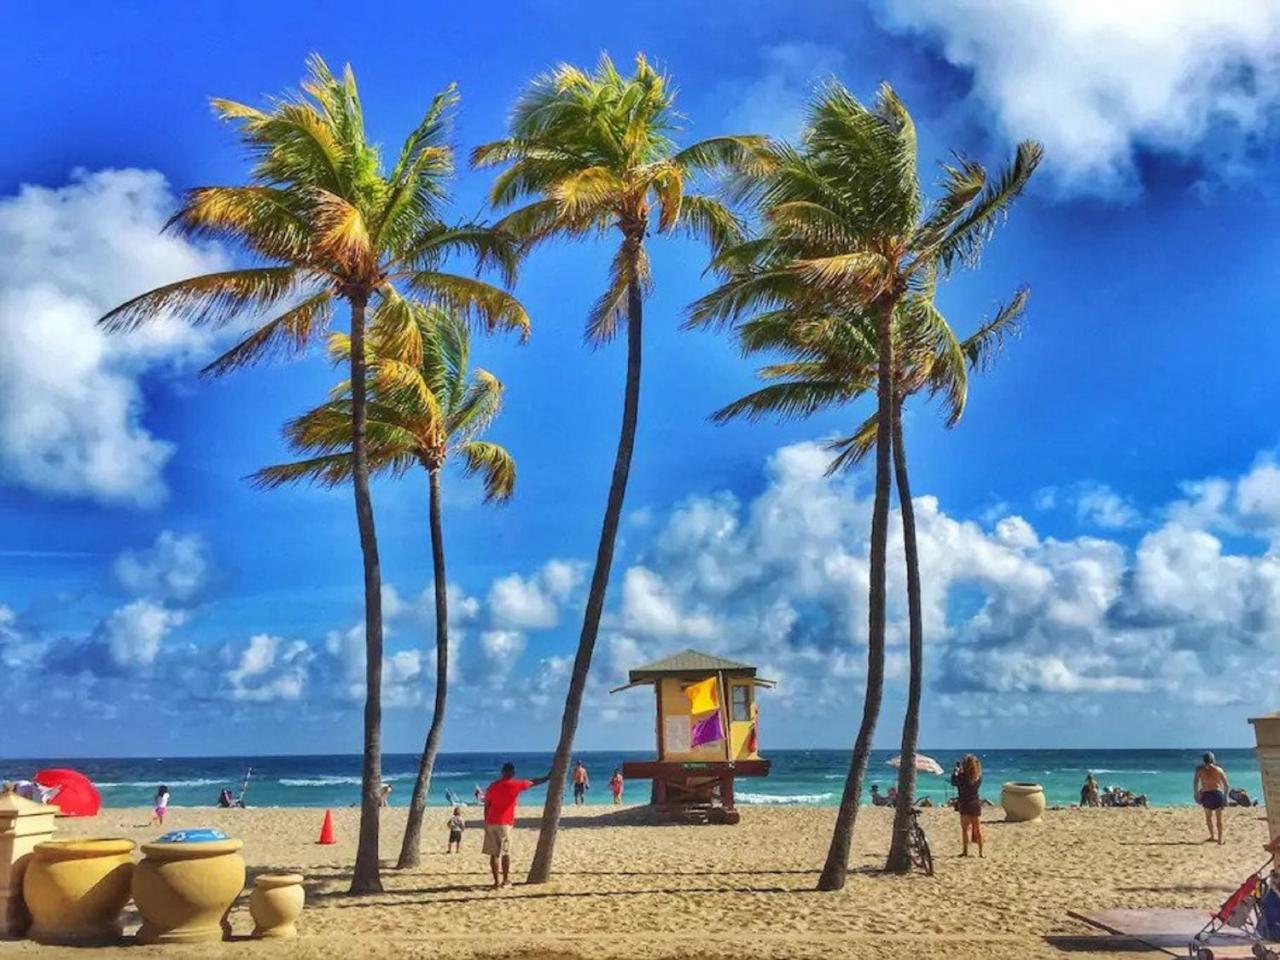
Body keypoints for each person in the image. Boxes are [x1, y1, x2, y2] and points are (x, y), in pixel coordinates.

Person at [483, 762, 550, 889]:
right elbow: (533, 782)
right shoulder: (515, 784)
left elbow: (487, 805)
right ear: (513, 773)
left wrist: (486, 821)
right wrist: (547, 777)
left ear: (502, 772)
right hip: (505, 823)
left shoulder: (493, 786)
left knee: (494, 854)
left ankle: (496, 882)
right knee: (505, 852)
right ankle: (506, 880)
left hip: (491, 822)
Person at [950, 756, 984, 858]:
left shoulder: (961, 776)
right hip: (975, 804)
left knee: (965, 830)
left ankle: (965, 851)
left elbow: (953, 782)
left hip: (964, 804)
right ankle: (981, 853)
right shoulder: (978, 777)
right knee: (977, 829)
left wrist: (956, 772)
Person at [1194, 752, 1230, 844]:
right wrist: (1225, 797)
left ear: (1203, 760)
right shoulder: (1219, 770)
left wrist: (1196, 794)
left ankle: (1212, 836)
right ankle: (1220, 839)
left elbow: (1195, 782)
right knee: (1219, 819)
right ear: (1213, 759)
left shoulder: (1200, 770)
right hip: (1217, 794)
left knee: (1208, 817)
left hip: (1207, 795)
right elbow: (1226, 785)